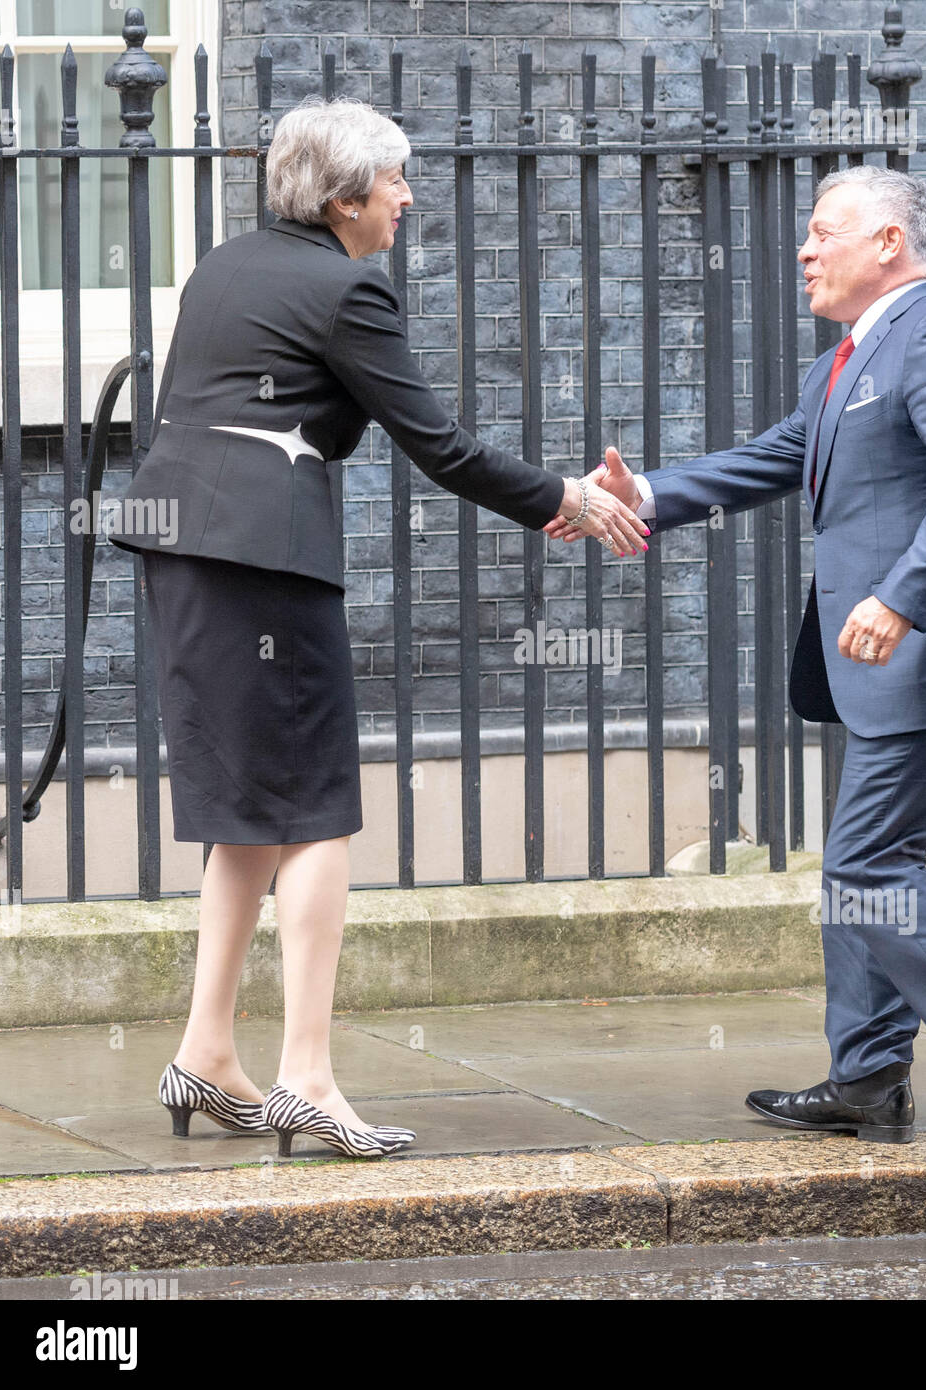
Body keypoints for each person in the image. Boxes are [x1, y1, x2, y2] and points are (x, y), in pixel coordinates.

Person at [109, 95, 650, 1161]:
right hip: (264, 559)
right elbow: (436, 444)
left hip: (181, 547)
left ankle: (205, 1051)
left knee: (248, 808)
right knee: (314, 805)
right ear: (346, 195)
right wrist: (567, 499)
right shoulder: (350, 286)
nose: (407, 199)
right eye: (395, 181)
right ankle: (305, 1073)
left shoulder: (225, 264)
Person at [547, 164, 926, 1171]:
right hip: (899, 663)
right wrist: (639, 495)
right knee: (860, 866)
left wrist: (898, 595)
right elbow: (769, 459)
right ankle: (869, 1072)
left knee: (863, 866)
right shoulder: (840, 362)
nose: (802, 249)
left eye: (821, 231)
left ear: (887, 242)